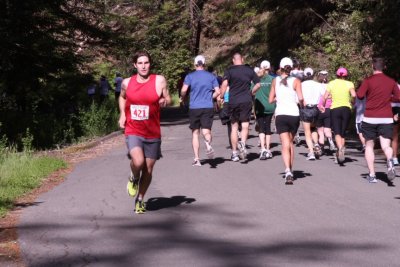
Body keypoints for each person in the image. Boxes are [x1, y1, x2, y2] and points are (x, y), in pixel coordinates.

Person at [118, 51, 171, 214]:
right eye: (140, 63)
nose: (143, 66)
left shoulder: (159, 80)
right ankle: (133, 177)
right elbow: (122, 97)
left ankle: (140, 199)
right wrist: (122, 113)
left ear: (150, 64)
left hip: (152, 132)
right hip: (133, 129)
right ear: (135, 65)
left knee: (148, 170)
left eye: (146, 63)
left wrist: (164, 101)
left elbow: (168, 99)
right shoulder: (127, 83)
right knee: (138, 161)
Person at [356, 57, 400, 183]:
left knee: (369, 145)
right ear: (384, 67)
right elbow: (398, 97)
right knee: (386, 145)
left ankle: (372, 175)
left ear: (372, 66)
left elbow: (359, 95)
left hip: (370, 117)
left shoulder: (368, 80)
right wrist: (387, 100)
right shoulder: (391, 82)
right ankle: (390, 160)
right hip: (386, 118)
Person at [219, 52, 261, 161]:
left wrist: (222, 96)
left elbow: (224, 84)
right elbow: (258, 84)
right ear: (242, 59)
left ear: (233, 60)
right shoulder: (249, 70)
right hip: (246, 100)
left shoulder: (229, 71)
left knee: (234, 127)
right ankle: (242, 142)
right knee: (245, 125)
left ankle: (234, 153)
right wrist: (251, 92)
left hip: (233, 101)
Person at [269, 57, 304, 185]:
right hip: (294, 114)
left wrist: (279, 97)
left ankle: (287, 170)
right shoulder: (296, 81)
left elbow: (270, 100)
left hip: (281, 115)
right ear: (291, 67)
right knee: (290, 143)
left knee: (285, 144)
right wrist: (302, 104)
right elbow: (300, 98)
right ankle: (291, 169)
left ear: (280, 67)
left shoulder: (275, 81)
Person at [180, 55, 220, 166]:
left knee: (195, 133)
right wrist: (210, 97)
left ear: (195, 64)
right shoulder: (211, 76)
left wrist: (183, 97)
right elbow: (218, 91)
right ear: (204, 64)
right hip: (207, 107)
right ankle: (207, 144)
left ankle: (197, 159)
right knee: (206, 131)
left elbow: (183, 90)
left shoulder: (190, 76)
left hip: (194, 107)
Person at [322, 67, 356, 164]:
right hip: (346, 109)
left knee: (336, 132)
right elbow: (353, 95)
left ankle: (340, 148)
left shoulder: (331, 83)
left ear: (337, 74)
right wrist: (352, 102)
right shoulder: (349, 83)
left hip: (335, 109)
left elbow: (325, 97)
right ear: (346, 75)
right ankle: (341, 150)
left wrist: (323, 106)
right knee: (342, 132)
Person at [300, 67, 323, 160]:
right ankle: (316, 144)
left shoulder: (301, 85)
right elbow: (325, 95)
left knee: (307, 131)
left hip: (305, 108)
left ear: (304, 75)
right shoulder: (318, 85)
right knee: (313, 128)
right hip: (316, 108)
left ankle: (311, 151)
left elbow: (299, 98)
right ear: (313, 75)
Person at [255, 60, 275, 160]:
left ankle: (262, 149)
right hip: (270, 106)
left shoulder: (256, 79)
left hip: (259, 106)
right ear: (269, 68)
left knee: (261, 127)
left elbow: (252, 92)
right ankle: (268, 149)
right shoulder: (273, 79)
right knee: (268, 127)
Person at [316, 70, 336, 153]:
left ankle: (321, 147)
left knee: (320, 130)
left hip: (320, 108)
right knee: (327, 128)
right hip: (329, 108)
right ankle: (330, 140)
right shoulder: (330, 86)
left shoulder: (317, 86)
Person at [391, 83, 400, 165]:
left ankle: (394, 157)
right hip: (395, 109)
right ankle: (394, 157)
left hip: (393, 109)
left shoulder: (386, 85)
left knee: (394, 135)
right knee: (395, 135)